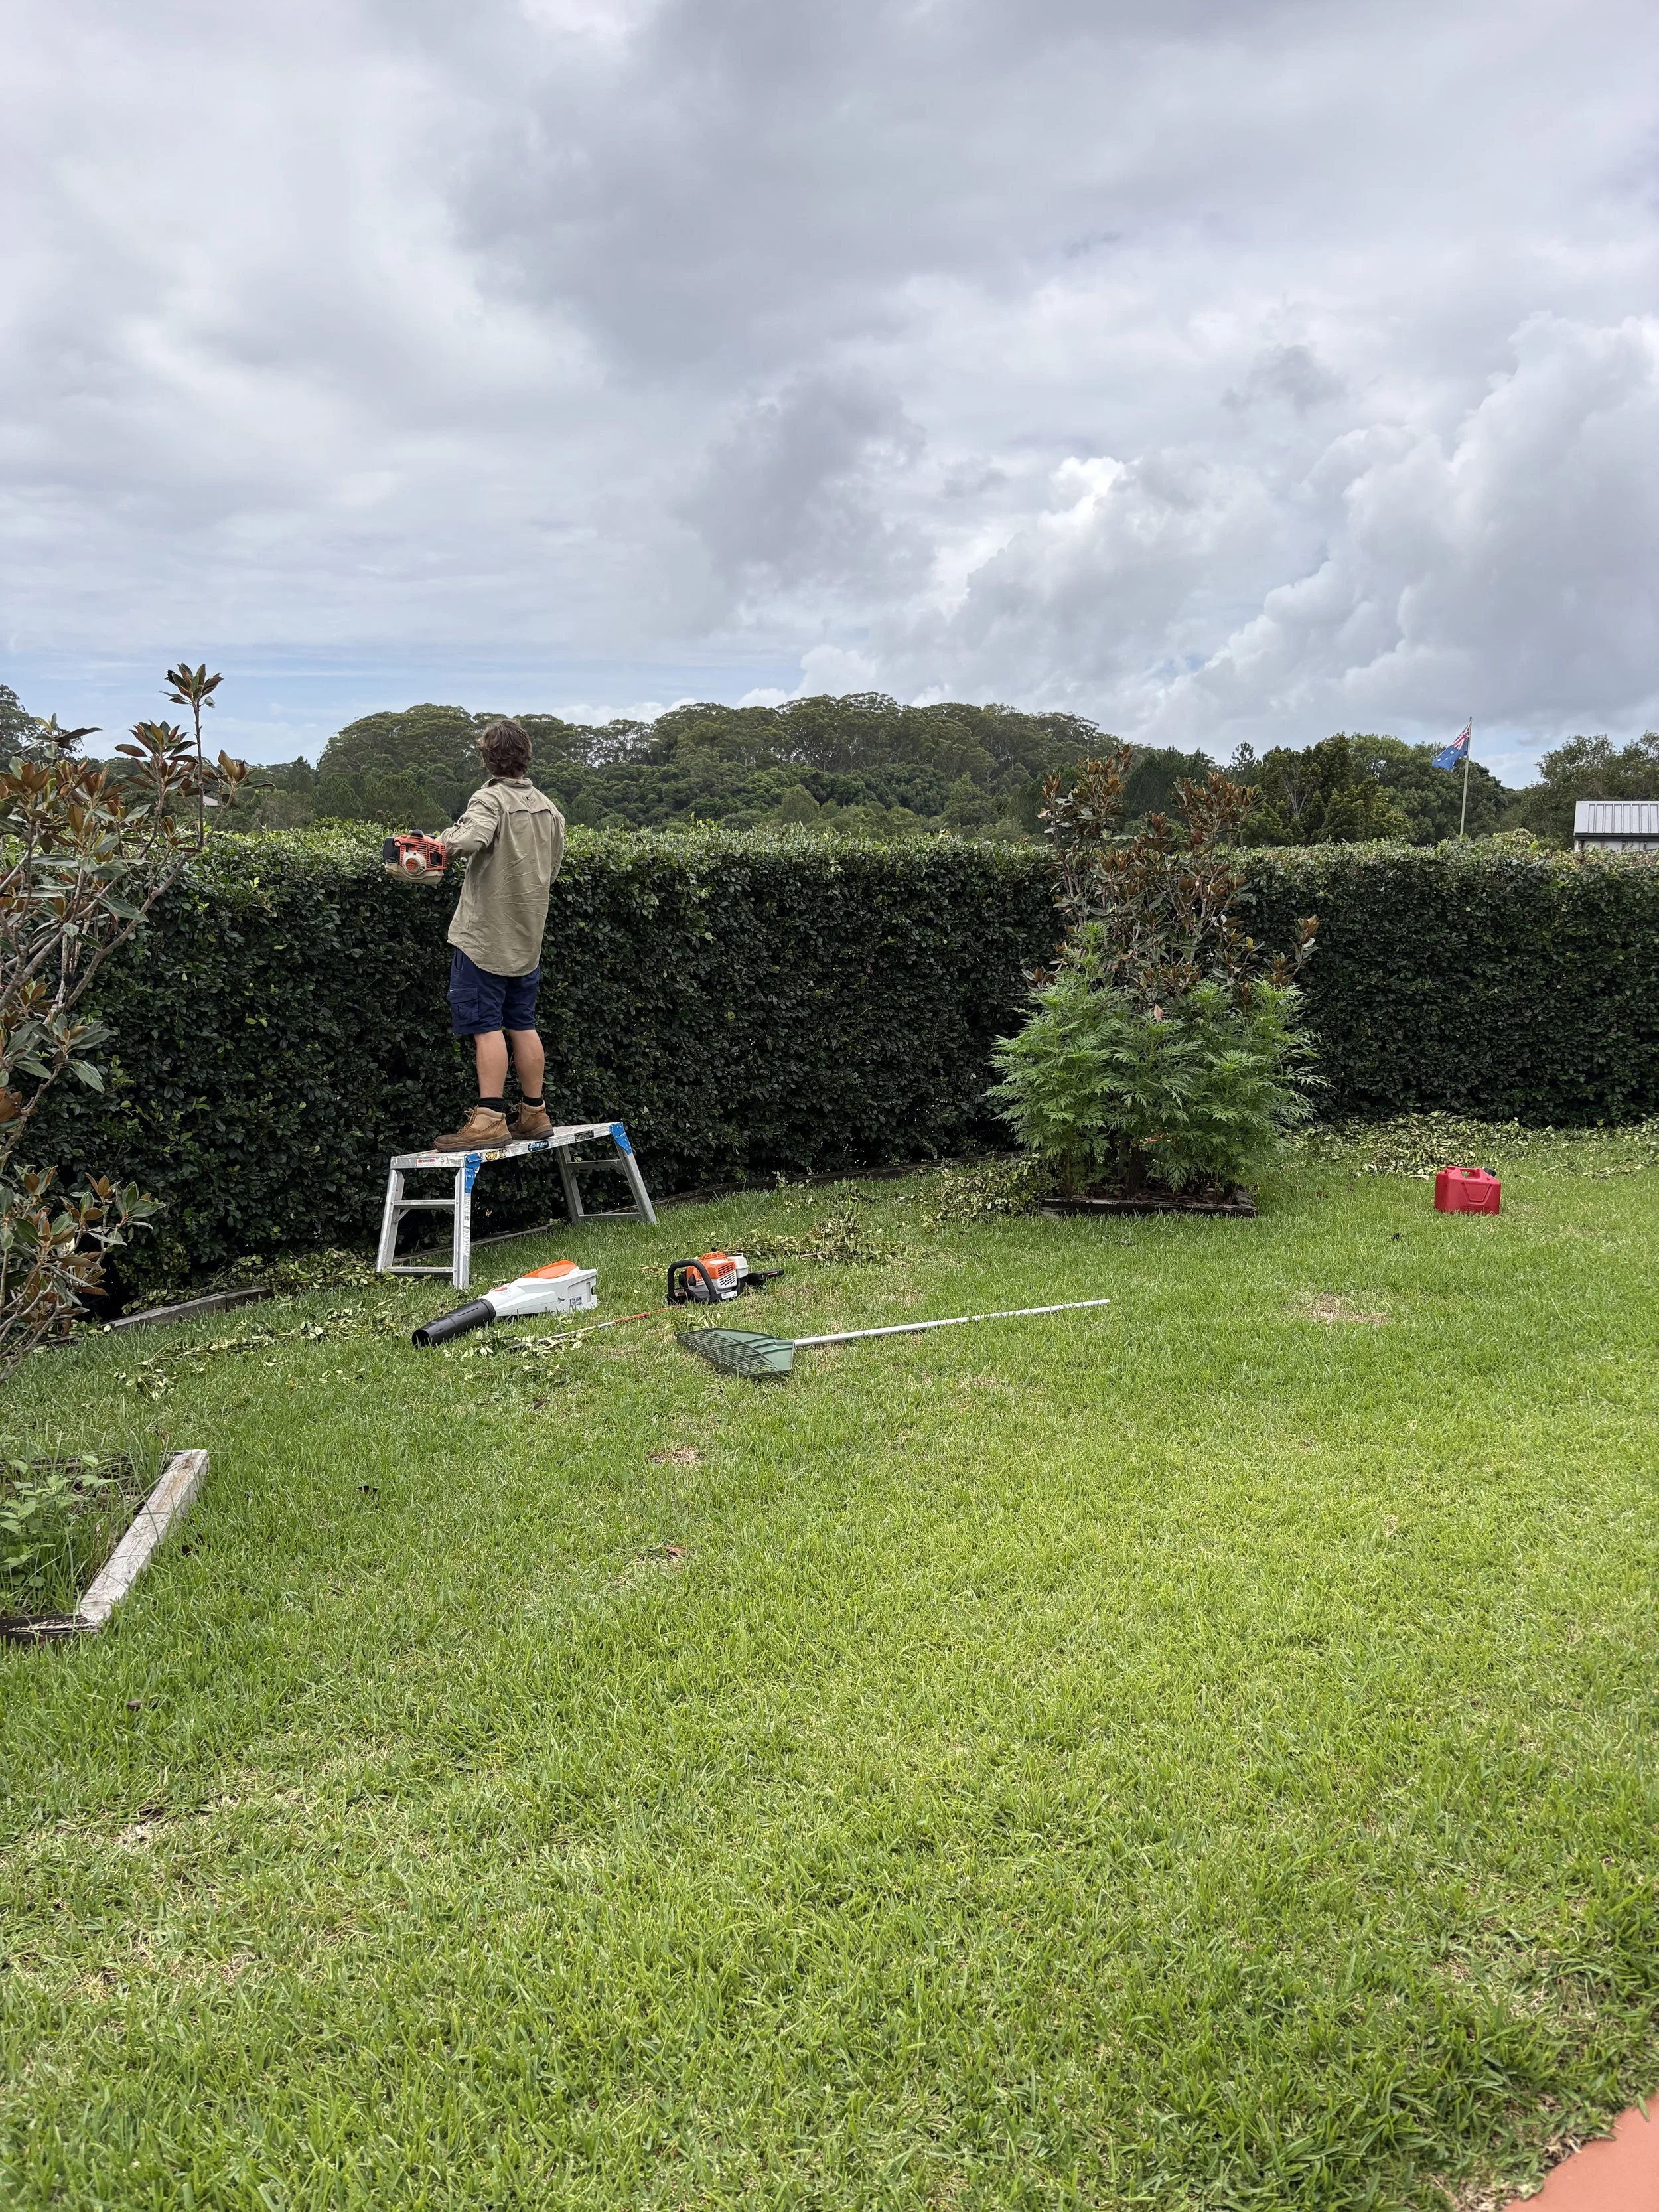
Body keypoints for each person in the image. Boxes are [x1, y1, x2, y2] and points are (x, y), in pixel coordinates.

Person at [427, 717, 565, 1151]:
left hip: (484, 937)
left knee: (486, 1026)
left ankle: (489, 1117)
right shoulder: (549, 809)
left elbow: (470, 839)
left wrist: (436, 842)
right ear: (526, 756)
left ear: (488, 758)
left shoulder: (490, 799)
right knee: (522, 1023)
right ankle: (534, 1112)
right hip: (528, 939)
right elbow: (553, 871)